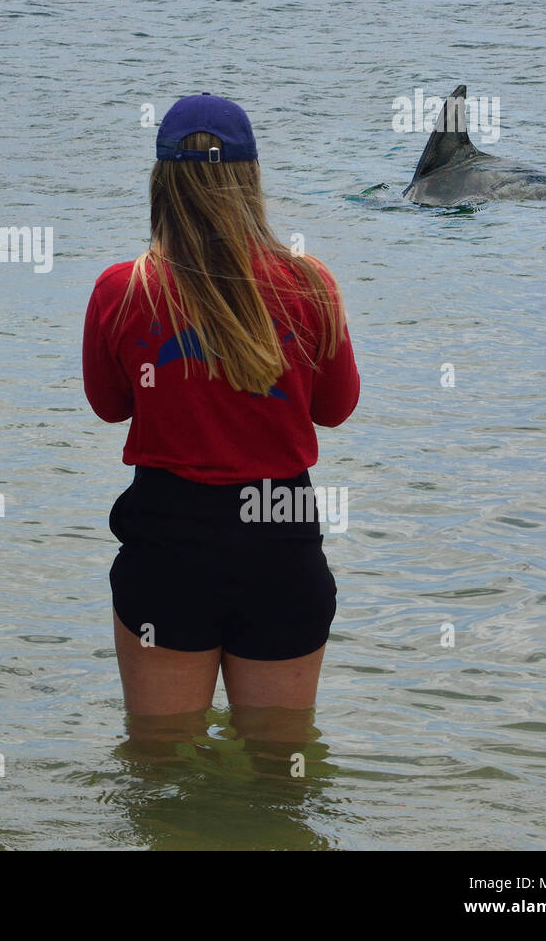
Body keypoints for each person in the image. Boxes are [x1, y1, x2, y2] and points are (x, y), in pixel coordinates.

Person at [82, 94, 360, 726]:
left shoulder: (126, 288)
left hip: (169, 539)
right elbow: (336, 409)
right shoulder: (311, 282)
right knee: (281, 764)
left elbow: (108, 406)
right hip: (281, 538)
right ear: (249, 180)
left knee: (158, 764)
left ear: (162, 181)